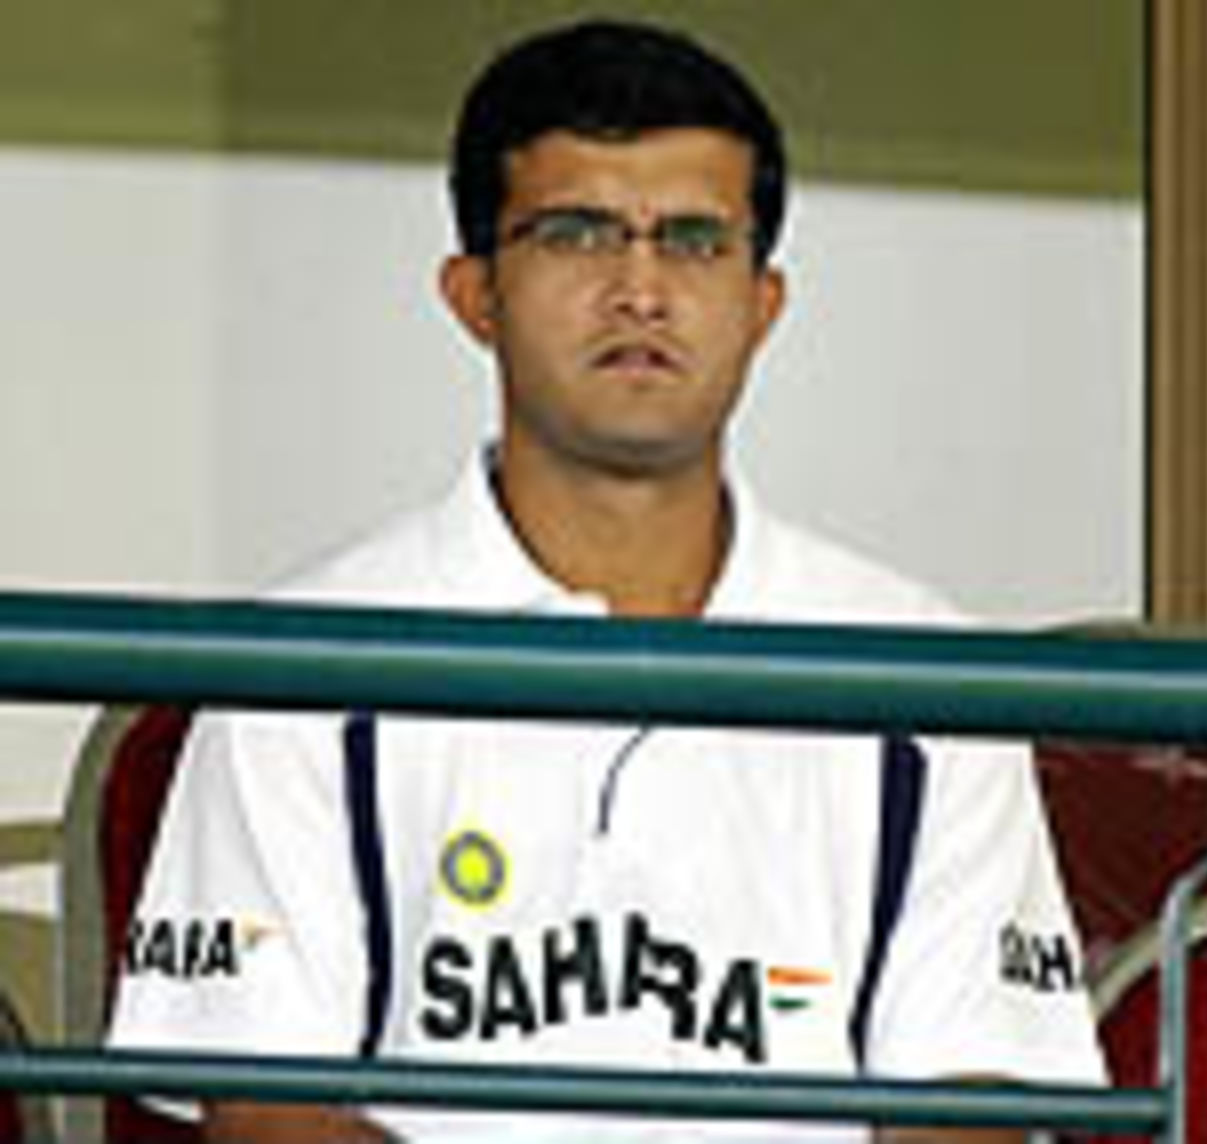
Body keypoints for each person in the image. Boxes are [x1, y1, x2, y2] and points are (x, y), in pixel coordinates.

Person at [107, 18, 1105, 1143]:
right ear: (474, 291)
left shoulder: (930, 674)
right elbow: (267, 1116)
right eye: (579, 234)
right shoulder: (293, 667)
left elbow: (970, 1106)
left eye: (691, 239)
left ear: (761, 302)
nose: (639, 288)